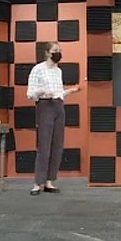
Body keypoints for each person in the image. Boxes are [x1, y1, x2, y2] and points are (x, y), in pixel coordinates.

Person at [26, 42, 80, 195]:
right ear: (47, 53)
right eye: (56, 50)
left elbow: (59, 93)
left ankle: (50, 181)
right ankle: (38, 183)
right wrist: (42, 91)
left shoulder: (58, 71)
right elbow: (30, 93)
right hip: (45, 106)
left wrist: (70, 91)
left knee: (57, 145)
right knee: (44, 145)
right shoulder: (38, 69)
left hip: (58, 106)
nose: (58, 53)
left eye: (60, 50)